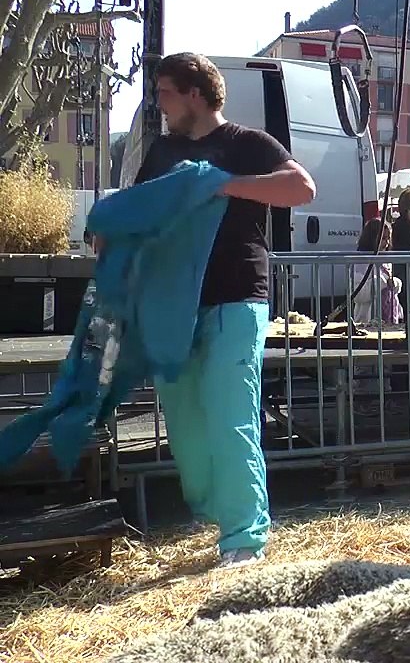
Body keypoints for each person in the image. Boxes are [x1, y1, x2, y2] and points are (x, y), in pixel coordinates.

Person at [132, 52, 317, 567]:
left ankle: (243, 538)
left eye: (165, 92)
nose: (158, 103)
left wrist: (221, 184)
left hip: (237, 299)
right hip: (174, 306)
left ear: (194, 94)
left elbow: (302, 187)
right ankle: (216, 510)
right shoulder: (162, 150)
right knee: (188, 428)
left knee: (232, 417)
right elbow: (140, 206)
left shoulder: (248, 144)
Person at [350, 219, 402, 326]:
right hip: (367, 321)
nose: (387, 243)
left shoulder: (386, 261)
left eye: (388, 238)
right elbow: (358, 294)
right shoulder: (360, 263)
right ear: (371, 239)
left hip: (389, 318)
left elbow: (391, 288)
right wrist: (381, 282)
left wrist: (395, 283)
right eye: (383, 238)